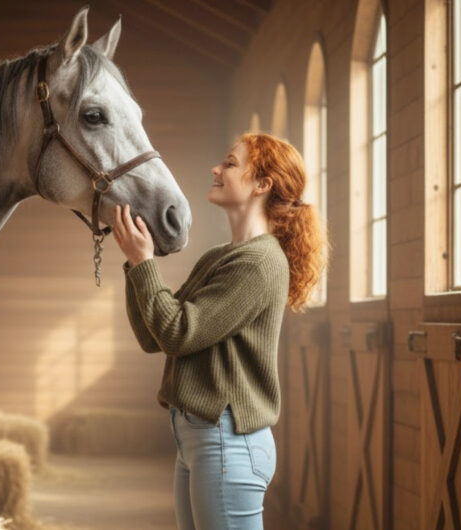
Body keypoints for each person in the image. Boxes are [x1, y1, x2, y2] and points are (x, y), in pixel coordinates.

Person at [112, 132, 329, 530]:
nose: (217, 168)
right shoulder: (222, 257)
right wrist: (134, 265)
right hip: (198, 439)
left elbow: (178, 332)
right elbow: (153, 335)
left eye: (230, 163)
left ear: (263, 184)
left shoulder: (261, 263)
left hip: (228, 442)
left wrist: (144, 264)